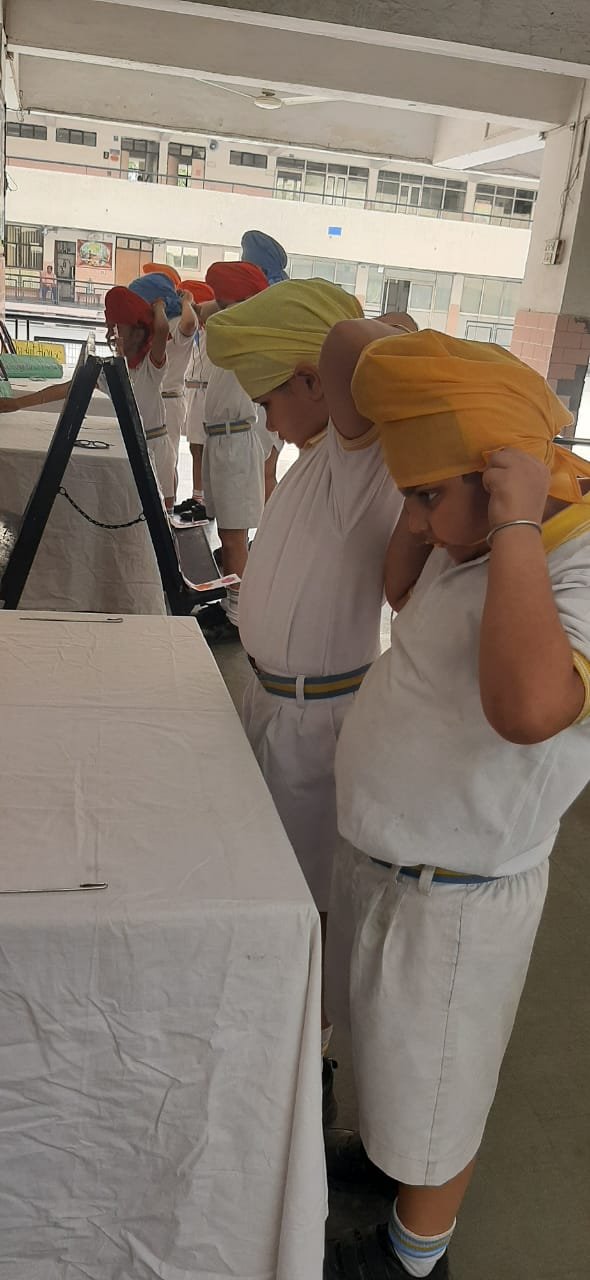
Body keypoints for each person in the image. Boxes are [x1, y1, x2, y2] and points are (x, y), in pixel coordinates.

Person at [316, 326, 590, 1279]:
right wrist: (433, 514)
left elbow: (530, 708)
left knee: (439, 1083)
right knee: (390, 1054)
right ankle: (391, 1161)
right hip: (389, 864)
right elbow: (401, 591)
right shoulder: (463, 539)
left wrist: (512, 530)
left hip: (457, 897)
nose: (419, 519)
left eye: (429, 495)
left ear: (505, 479)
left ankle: (411, 1256)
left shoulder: (567, 557)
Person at [206, 279, 409, 1117]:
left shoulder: (362, 460)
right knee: (271, 879)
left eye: (270, 400)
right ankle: (279, 1027)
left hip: (317, 722)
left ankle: (306, 1059)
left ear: (314, 381)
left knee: (311, 898)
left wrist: (333, 345)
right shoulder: (316, 457)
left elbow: (374, 337)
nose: (267, 420)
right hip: (272, 705)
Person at [195, 260, 269, 644]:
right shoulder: (231, 326)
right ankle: (231, 601)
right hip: (221, 440)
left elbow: (210, 313)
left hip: (236, 442)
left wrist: (240, 302)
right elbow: (204, 311)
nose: (218, 306)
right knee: (227, 532)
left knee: (235, 536)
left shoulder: (249, 330)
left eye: (225, 300)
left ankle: (238, 617)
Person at [104, 285, 175, 510]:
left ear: (137, 333)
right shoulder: (113, 369)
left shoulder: (150, 367)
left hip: (156, 446)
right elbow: (70, 388)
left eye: (116, 328)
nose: (110, 335)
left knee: (163, 513)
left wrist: (159, 307)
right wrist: (20, 403)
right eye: (109, 329)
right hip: (129, 446)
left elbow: (162, 329)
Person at [129, 269, 197, 503]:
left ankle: (168, 507)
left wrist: (187, 301)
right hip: (155, 399)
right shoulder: (152, 326)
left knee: (168, 462)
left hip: (169, 400)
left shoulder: (176, 323)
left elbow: (191, 323)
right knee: (157, 461)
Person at [241, 229, 289, 499]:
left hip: (268, 397)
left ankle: (269, 525)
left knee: (264, 471)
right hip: (272, 397)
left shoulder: (266, 299)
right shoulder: (280, 295)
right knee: (264, 470)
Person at [173, 279, 218, 522]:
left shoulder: (214, 330)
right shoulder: (194, 332)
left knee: (205, 448)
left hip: (207, 391)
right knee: (194, 447)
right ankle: (197, 495)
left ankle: (206, 500)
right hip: (193, 391)